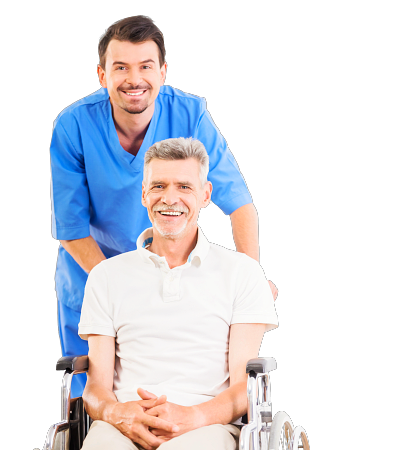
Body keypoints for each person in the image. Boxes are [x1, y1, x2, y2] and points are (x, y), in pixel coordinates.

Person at [49, 15, 277, 399]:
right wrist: (120, 285)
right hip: (93, 273)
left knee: (179, 384)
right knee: (91, 397)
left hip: (170, 274)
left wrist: (250, 281)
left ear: (163, 72)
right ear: (102, 75)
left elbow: (239, 205)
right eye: (120, 67)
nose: (134, 79)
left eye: (145, 67)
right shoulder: (73, 125)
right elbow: (71, 229)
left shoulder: (189, 115)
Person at [68, 137, 277, 450]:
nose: (170, 198)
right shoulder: (106, 276)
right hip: (125, 422)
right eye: (159, 186)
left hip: (208, 423)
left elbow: (243, 387)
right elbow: (96, 388)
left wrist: (193, 416)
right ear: (144, 194)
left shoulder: (242, 273)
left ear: (205, 194)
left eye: (184, 186)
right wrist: (119, 413)